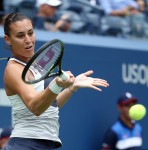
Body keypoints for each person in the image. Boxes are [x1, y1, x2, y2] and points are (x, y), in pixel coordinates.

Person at [3, 12, 109, 150]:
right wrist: (57, 84)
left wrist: (72, 88)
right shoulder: (13, 69)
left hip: (46, 145)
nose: (28, 40)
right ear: (8, 39)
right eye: (20, 35)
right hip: (25, 144)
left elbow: (51, 104)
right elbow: (35, 107)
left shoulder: (36, 67)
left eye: (30, 33)